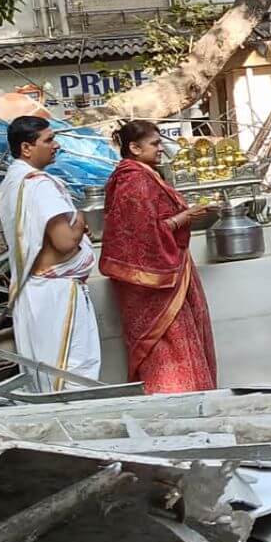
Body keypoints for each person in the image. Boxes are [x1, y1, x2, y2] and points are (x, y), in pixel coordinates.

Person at [99, 121, 218, 394]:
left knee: (180, 342)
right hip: (154, 283)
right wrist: (184, 217)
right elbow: (142, 235)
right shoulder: (134, 181)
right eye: (155, 144)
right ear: (134, 148)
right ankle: (175, 402)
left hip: (170, 271)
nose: (161, 148)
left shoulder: (144, 175)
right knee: (168, 347)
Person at [0, 116, 101, 391]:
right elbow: (65, 242)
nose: (56, 145)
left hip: (36, 290)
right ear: (26, 148)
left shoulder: (12, 181)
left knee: (45, 373)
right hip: (55, 294)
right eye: (48, 140)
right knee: (71, 374)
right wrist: (79, 219)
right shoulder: (38, 184)